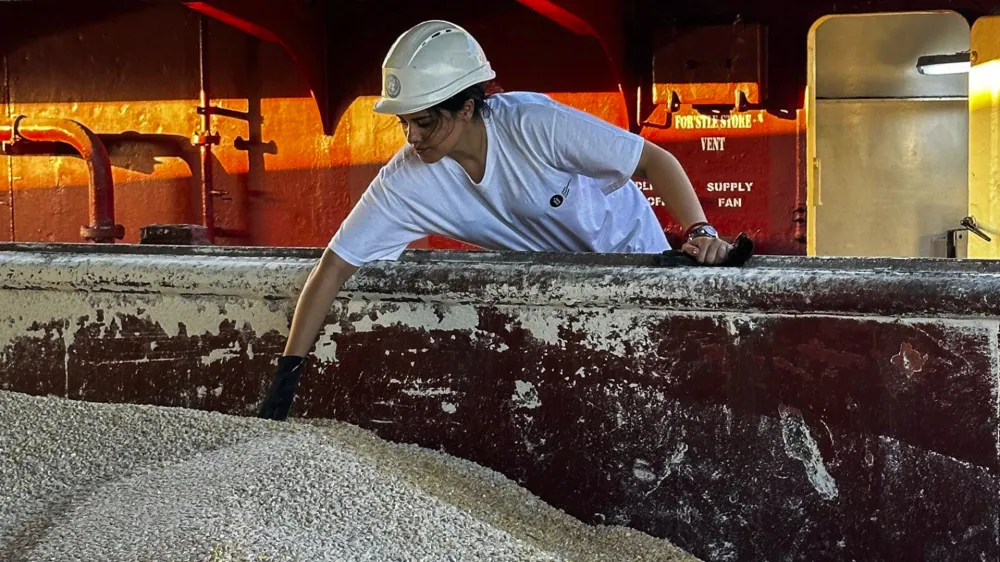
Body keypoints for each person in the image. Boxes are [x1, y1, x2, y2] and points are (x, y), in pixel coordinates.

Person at [257, 19, 734, 420]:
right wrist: (286, 378)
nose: (413, 137)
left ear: (466, 108)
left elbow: (655, 161)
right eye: (404, 123)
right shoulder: (407, 180)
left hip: (632, 263)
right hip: (552, 289)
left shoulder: (533, 125)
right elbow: (335, 267)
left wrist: (701, 231)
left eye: (425, 122)